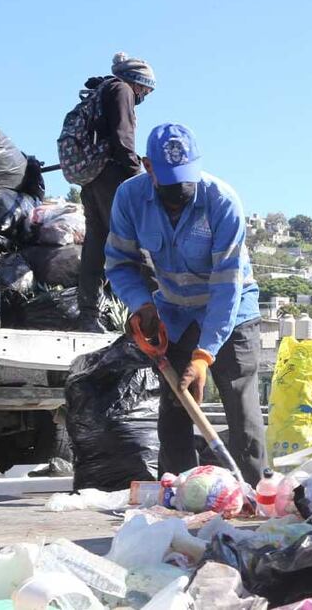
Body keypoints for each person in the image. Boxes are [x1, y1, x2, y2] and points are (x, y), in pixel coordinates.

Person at [104, 122, 266, 484]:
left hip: (231, 312)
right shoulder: (129, 199)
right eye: (170, 181)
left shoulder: (221, 201)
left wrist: (205, 354)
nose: (181, 191)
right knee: (175, 410)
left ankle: (257, 498)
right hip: (174, 311)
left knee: (242, 411)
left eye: (186, 179)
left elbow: (228, 285)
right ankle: (181, 495)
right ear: (148, 168)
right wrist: (143, 306)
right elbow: (119, 263)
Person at [77, 52, 157, 332]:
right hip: (112, 176)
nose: (145, 94)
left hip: (92, 178)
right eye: (146, 88)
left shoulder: (101, 90)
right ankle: (159, 308)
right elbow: (123, 139)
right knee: (136, 239)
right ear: (137, 82)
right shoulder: (121, 90)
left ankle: (87, 314)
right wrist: (140, 177)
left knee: (96, 246)